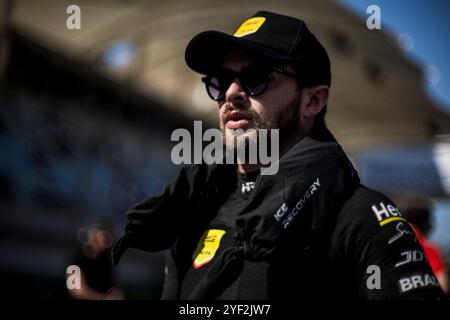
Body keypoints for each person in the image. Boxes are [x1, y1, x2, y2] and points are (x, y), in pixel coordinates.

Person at [113, 11, 445, 299]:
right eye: (220, 80)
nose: (231, 93)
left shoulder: (360, 216)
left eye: (257, 78)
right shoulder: (197, 209)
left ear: (313, 101)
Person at [68, 222, 123, 300]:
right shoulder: (78, 259)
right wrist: (102, 297)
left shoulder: (106, 260)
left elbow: (113, 286)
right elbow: (75, 291)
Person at [403, 204, 449, 295]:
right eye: (429, 222)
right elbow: (443, 285)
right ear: (424, 223)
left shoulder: (393, 243)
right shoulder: (429, 248)